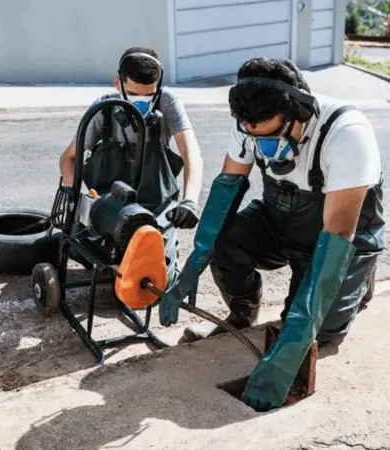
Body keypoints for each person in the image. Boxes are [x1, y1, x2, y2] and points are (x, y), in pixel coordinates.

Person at [158, 57, 385, 411]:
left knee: (317, 332)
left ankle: (358, 282)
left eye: (272, 136)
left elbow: (338, 232)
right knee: (225, 241)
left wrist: (286, 356)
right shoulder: (250, 122)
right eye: (252, 134)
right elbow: (225, 194)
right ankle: (242, 311)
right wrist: (192, 267)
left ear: (299, 110)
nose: (262, 146)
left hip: (339, 238)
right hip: (279, 218)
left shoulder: (345, 134)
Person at [59, 46, 203, 287]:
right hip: (110, 208)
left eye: (150, 95)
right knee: (81, 245)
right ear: (118, 83)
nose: (144, 102)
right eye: (135, 95)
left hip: (154, 209)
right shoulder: (102, 110)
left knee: (158, 282)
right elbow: (68, 158)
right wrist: (75, 196)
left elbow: (192, 154)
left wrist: (190, 201)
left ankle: (164, 251)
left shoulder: (167, 102)